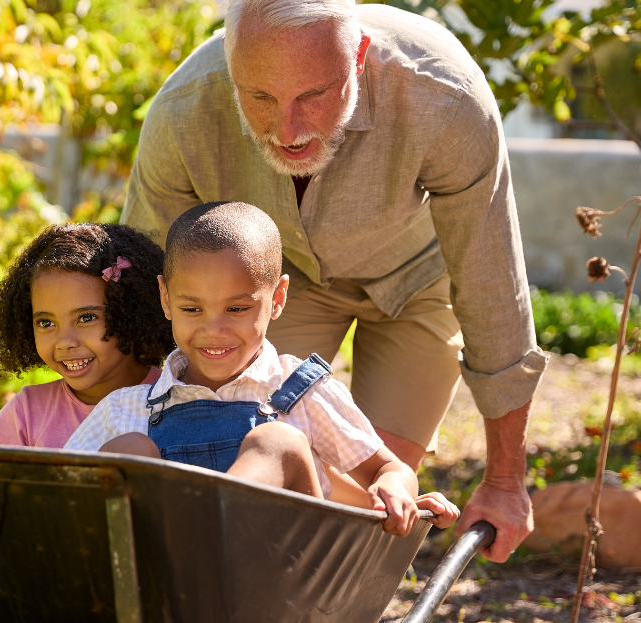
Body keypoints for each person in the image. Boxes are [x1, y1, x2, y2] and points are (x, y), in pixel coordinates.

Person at [121, 0, 544, 560]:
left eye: (313, 96)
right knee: (261, 463)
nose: (287, 129)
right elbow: (146, 287)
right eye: (261, 97)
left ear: (359, 57)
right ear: (229, 67)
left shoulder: (444, 97)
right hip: (273, 281)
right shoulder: (183, 110)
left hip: (415, 279)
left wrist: (506, 481)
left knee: (372, 501)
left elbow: (494, 291)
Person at [64, 202, 459, 535]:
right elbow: (55, 490)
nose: (213, 330)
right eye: (191, 308)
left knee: (277, 443)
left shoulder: (303, 392)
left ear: (277, 299)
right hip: (169, 584)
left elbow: (389, 467)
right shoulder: (128, 410)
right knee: (129, 451)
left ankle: (211, 539)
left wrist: (393, 486)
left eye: (237, 309)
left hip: (278, 575)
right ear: (165, 299)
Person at [0, 223, 176, 448]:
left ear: (132, 312)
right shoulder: (25, 414)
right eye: (46, 323)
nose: (65, 342)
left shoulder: (182, 400)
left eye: (86, 318)